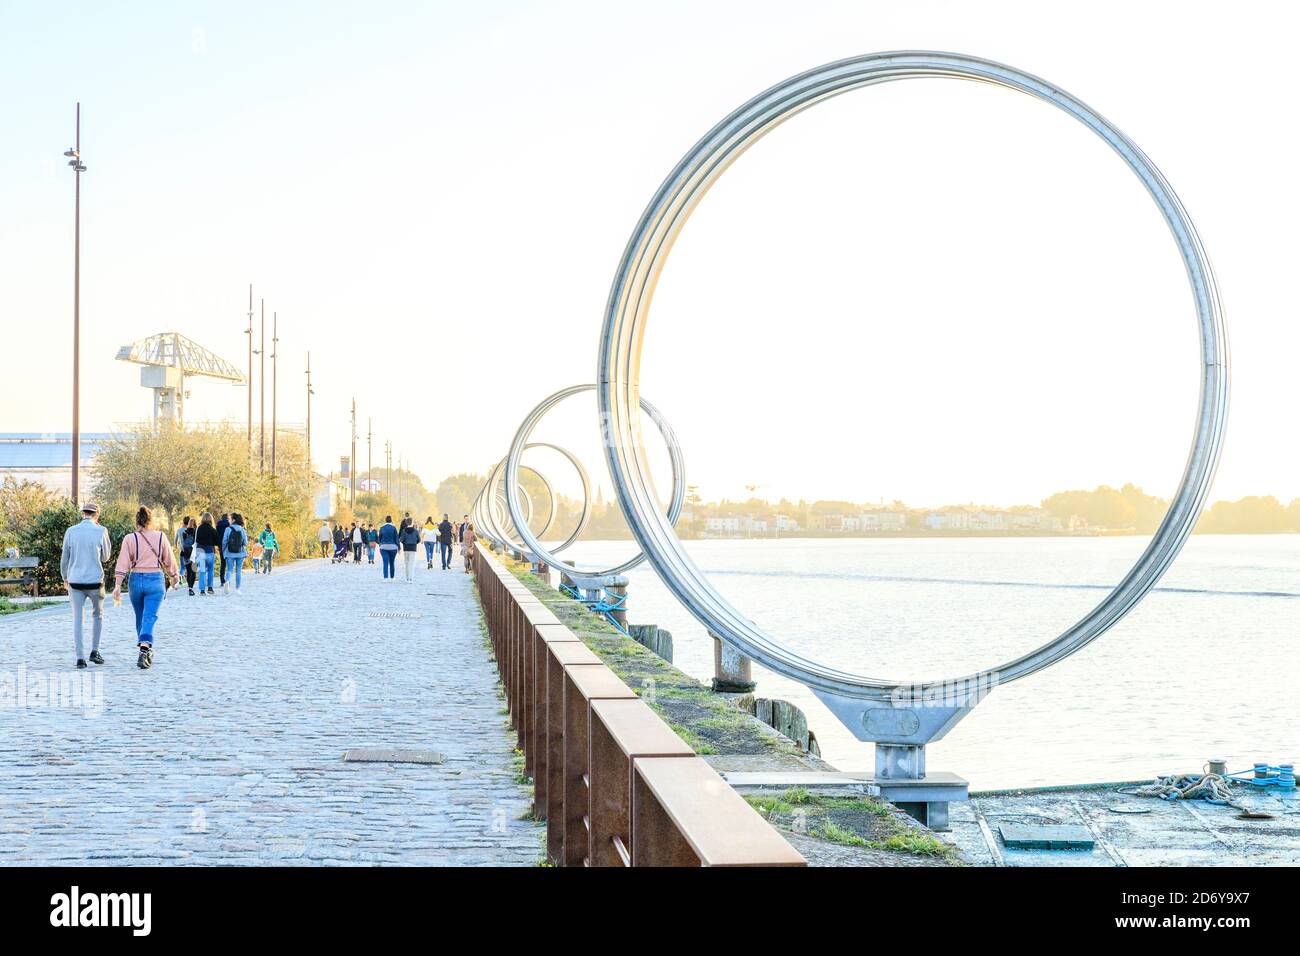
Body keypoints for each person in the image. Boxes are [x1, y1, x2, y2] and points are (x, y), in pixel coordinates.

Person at [112, 505, 178, 670]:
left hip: (135, 580)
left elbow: (123, 562)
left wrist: (118, 584)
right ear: (151, 521)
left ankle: (144, 648)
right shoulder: (161, 537)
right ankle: (144, 649)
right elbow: (169, 559)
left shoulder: (129, 538)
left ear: (137, 522)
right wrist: (174, 577)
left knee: (140, 617)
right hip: (155, 580)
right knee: (150, 616)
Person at [60, 502, 112, 668]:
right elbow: (106, 557)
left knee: (77, 619)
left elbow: (64, 558)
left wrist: (65, 577)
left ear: (83, 513)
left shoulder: (71, 531)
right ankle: (95, 650)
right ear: (96, 514)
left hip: (75, 581)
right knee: (98, 615)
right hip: (95, 581)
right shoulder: (101, 531)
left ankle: (80, 658)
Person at [221, 512, 249, 593]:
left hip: (229, 553)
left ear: (233, 520)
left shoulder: (227, 529)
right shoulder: (242, 529)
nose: (229, 520)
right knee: (238, 570)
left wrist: (223, 551)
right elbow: (245, 543)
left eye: (230, 519)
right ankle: (237, 588)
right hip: (240, 553)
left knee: (229, 569)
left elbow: (224, 542)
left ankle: (227, 582)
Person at [194, 512, 219, 594]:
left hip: (201, 552)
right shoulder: (213, 529)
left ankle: (202, 590)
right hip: (209, 551)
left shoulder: (199, 528)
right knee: (211, 570)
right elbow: (217, 542)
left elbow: (197, 540)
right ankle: (210, 588)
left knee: (202, 571)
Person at [175, 515, 198, 595]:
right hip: (194, 553)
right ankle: (191, 587)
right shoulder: (196, 532)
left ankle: (189, 587)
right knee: (194, 571)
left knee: (188, 570)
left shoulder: (185, 532)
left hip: (185, 553)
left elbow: (181, 543)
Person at [398, 517, 421, 582]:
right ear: (412, 523)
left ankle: (407, 578)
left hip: (406, 548)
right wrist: (414, 543)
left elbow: (401, 540)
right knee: (411, 563)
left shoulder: (404, 530)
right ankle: (411, 578)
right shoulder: (416, 531)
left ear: (406, 523)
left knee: (407, 563)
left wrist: (405, 543)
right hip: (413, 548)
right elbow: (419, 540)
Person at [377, 514, 399, 580]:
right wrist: (399, 547)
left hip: (383, 547)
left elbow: (379, 538)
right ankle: (392, 577)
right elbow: (396, 538)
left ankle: (385, 578)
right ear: (391, 520)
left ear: (385, 520)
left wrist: (380, 544)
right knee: (392, 562)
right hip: (393, 547)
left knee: (385, 562)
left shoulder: (382, 528)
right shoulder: (394, 528)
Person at [215, 512, 231, 587]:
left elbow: (216, 535)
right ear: (227, 518)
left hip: (221, 546)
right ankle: (228, 580)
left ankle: (222, 580)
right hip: (228, 546)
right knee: (229, 563)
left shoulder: (218, 525)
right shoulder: (229, 525)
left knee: (223, 563)